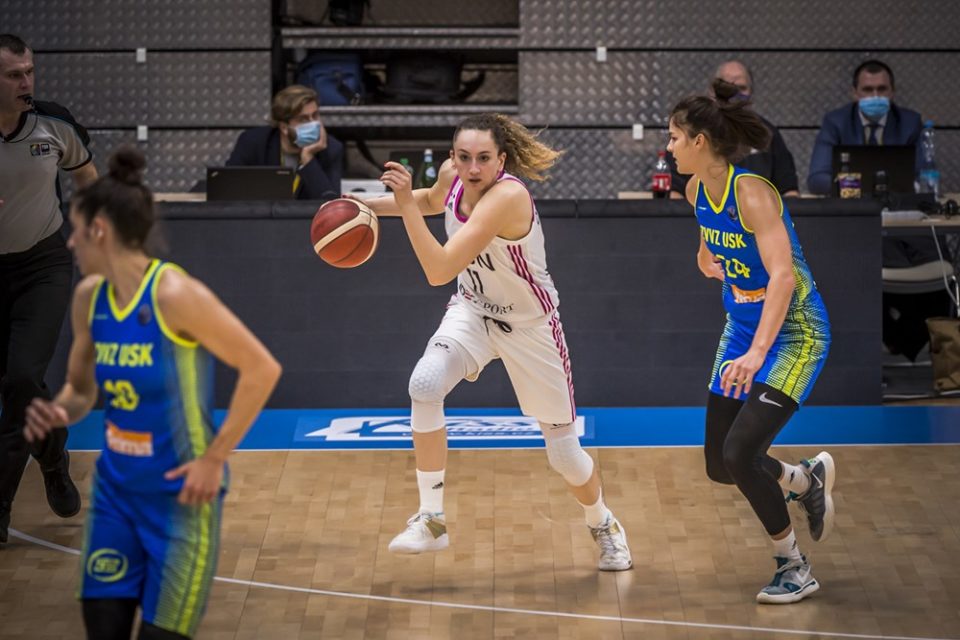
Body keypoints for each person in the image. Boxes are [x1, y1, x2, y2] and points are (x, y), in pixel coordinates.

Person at [347, 113, 632, 571]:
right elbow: (431, 200)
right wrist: (363, 206)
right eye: (464, 157)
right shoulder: (453, 176)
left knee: (565, 456)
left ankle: (604, 523)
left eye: (483, 158)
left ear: (501, 160)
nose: (473, 168)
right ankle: (431, 519)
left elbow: (439, 269)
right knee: (424, 384)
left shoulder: (507, 197)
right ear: (453, 157)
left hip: (530, 327)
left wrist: (402, 206)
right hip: (474, 311)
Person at [24, 146, 282, 639]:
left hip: (179, 501)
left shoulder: (174, 294)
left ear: (100, 230)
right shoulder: (89, 297)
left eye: (75, 230)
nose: (70, 243)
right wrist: (58, 411)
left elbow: (261, 368)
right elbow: (81, 391)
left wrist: (214, 458)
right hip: (116, 496)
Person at [667, 79, 835, 604]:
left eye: (673, 137)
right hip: (741, 328)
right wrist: (707, 260)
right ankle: (804, 481)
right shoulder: (696, 191)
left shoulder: (753, 193)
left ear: (699, 141)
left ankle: (794, 567)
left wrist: (758, 352)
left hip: (794, 334)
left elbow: (782, 276)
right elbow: (709, 248)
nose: (669, 147)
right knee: (720, 465)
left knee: (741, 454)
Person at [0, 33, 99, 544]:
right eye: (14, 75)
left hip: (42, 264)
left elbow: (86, 178)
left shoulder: (53, 123)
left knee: (21, 377)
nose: (26, 82)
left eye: (29, 71)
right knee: (18, 388)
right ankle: (53, 453)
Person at [668, 60, 799, 198]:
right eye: (727, 88)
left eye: (741, 88)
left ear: (751, 92)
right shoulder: (690, 131)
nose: (734, 94)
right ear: (712, 91)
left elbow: (789, 190)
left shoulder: (766, 133)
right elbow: (675, 194)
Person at [807, 59, 922, 195]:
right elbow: (817, 180)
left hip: (897, 205)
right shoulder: (835, 123)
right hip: (851, 205)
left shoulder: (910, 123)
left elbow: (925, 175)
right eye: (867, 90)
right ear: (855, 93)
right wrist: (864, 187)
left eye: (882, 89)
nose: (875, 96)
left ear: (892, 92)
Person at [226, 84, 344, 199]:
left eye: (315, 115)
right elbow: (228, 188)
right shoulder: (253, 142)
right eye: (303, 119)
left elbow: (331, 204)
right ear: (284, 127)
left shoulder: (331, 148)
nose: (313, 123)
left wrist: (308, 159)